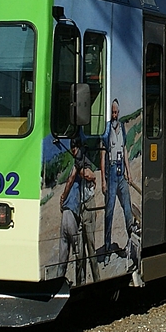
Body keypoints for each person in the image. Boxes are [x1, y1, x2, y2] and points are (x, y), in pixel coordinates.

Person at [58, 135, 97, 285]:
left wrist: (63, 196)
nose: (73, 152)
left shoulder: (80, 158)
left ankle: (86, 280)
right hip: (78, 211)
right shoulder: (80, 158)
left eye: (73, 148)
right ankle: (82, 281)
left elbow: (77, 176)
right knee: (80, 251)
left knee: (84, 250)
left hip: (84, 207)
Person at [99, 99, 134, 259]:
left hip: (121, 171)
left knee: (127, 207)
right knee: (109, 211)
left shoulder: (122, 128)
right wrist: (103, 180)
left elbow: (125, 149)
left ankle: (132, 241)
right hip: (111, 171)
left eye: (116, 112)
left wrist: (129, 171)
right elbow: (103, 153)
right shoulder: (106, 129)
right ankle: (107, 248)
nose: (114, 115)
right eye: (112, 112)